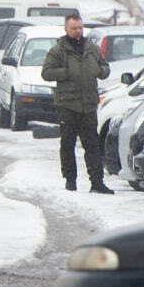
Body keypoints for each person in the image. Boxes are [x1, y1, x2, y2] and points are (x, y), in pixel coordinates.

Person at [41, 13, 113, 194]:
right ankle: (70, 180)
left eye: (80, 27)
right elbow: (46, 73)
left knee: (93, 145)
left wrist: (100, 70)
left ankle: (97, 182)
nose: (78, 31)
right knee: (68, 144)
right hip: (67, 105)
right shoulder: (58, 51)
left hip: (88, 105)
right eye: (74, 28)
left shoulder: (93, 49)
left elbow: (105, 69)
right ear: (66, 29)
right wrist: (66, 72)